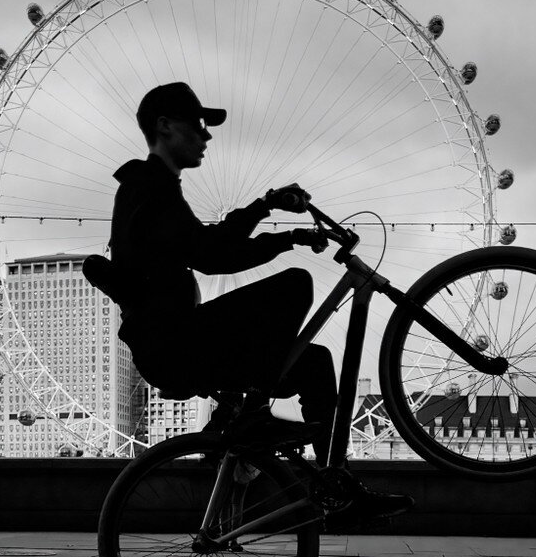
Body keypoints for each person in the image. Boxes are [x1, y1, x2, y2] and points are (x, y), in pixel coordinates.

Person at [102, 81, 413, 527]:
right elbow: (211, 255)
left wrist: (268, 209)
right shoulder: (147, 187)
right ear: (165, 126)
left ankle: (336, 488)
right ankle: (253, 414)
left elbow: (209, 245)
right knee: (294, 286)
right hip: (172, 345)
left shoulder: (153, 188)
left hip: (176, 342)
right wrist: (282, 235)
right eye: (199, 125)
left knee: (315, 364)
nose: (206, 136)